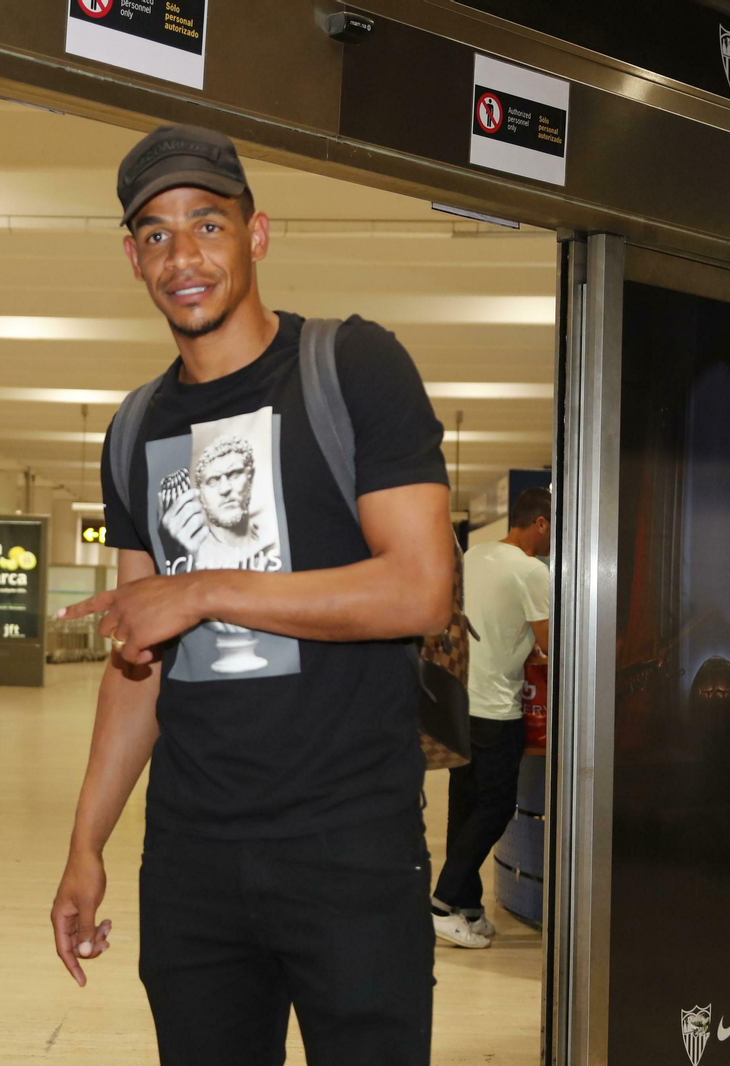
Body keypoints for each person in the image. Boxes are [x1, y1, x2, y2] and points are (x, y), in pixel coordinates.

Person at [51, 124, 455, 1065]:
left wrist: (201, 591)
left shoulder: (353, 368)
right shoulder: (136, 427)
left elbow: (419, 587)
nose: (182, 256)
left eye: (207, 224)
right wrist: (86, 844)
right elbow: (137, 657)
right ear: (132, 256)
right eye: (155, 234)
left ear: (256, 234)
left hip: (351, 847)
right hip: (193, 859)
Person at [431, 487, 551, 948]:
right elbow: (550, 644)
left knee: (464, 806)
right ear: (539, 523)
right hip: (497, 709)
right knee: (497, 806)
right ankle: (441, 904)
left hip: (458, 702)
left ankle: (468, 907)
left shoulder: (476, 555)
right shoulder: (530, 570)